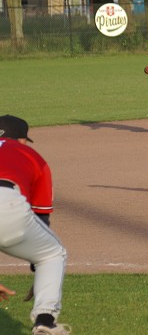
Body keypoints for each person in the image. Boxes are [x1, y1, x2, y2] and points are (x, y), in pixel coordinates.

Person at [0, 115, 71, 334]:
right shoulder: (31, 155)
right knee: (52, 255)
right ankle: (45, 321)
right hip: (5, 200)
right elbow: (41, 216)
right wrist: (39, 267)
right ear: (21, 139)